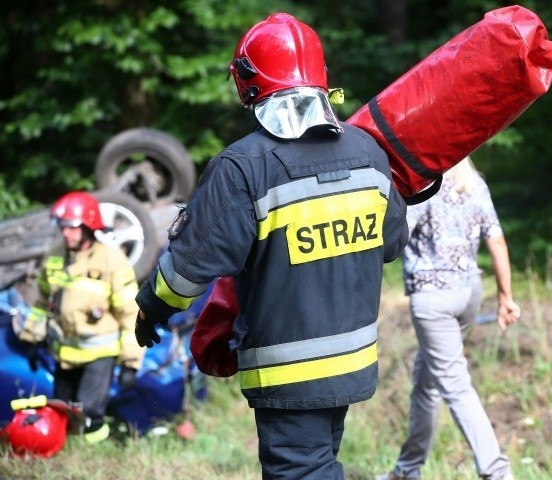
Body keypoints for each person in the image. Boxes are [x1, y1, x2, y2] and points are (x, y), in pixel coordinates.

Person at [134, 12, 408, 480]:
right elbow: (391, 244)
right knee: (319, 463)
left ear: (250, 82)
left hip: (289, 373)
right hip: (352, 362)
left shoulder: (244, 166)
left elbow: (187, 271)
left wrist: (151, 309)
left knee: (301, 472)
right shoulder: (370, 153)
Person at [377, 157, 520, 480]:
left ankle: (497, 472)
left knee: (454, 384)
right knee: (427, 382)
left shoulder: (422, 186)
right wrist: (505, 297)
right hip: (469, 293)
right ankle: (407, 470)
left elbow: (395, 238)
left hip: (433, 300)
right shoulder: (475, 184)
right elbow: (495, 239)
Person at [22, 191, 144, 443]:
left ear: (89, 226)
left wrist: (130, 363)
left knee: (89, 414)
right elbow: (41, 301)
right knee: (60, 411)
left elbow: (130, 313)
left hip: (100, 354)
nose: (66, 233)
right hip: (64, 352)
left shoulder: (111, 259)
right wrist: (31, 337)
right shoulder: (55, 255)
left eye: (73, 227)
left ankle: (94, 455)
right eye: (63, 226)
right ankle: (62, 452)